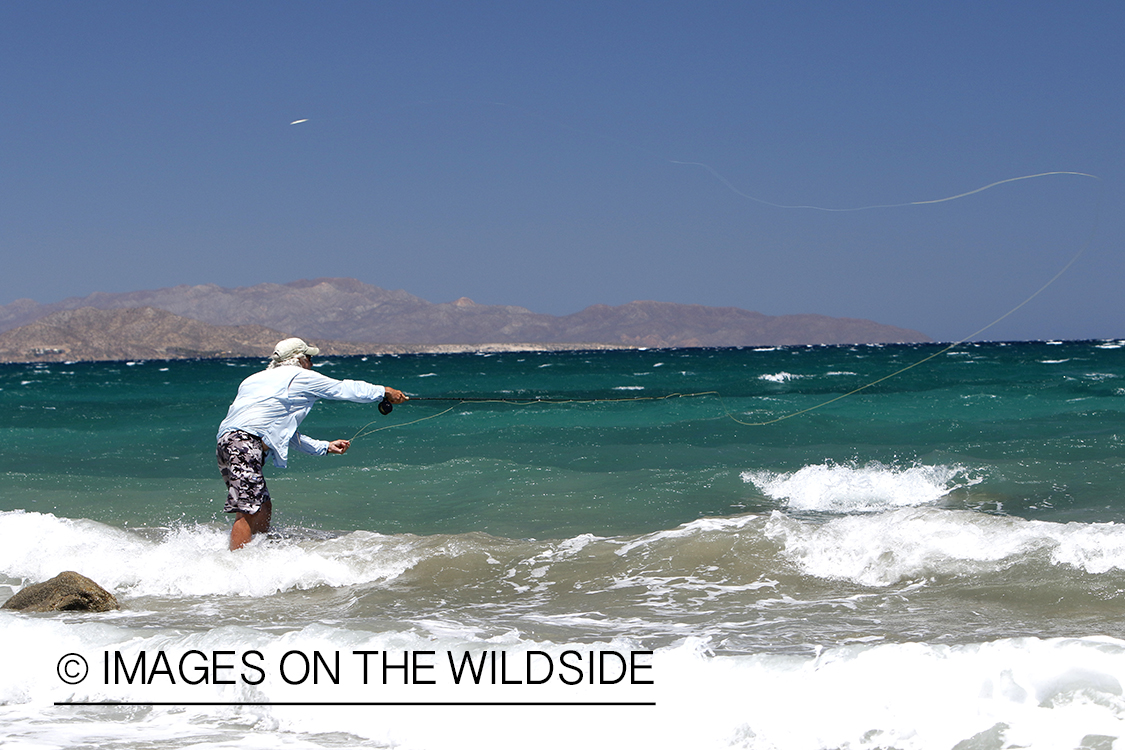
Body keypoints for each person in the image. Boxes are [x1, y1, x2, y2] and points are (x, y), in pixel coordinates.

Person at [216, 337, 407, 550]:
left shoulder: (253, 380)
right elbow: (342, 389)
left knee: (262, 506)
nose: (312, 362)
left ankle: (257, 554)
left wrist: (324, 447)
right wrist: (384, 392)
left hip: (227, 444)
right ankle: (238, 566)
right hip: (245, 444)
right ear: (298, 359)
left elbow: (280, 432)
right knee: (249, 510)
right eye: (309, 357)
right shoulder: (299, 376)